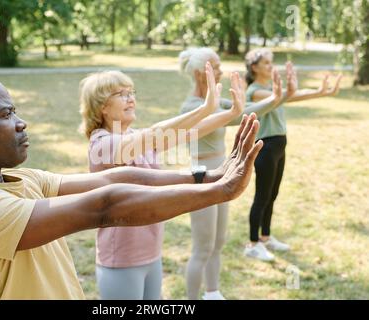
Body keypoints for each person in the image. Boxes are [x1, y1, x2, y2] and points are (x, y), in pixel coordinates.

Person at [0, 74, 262, 300]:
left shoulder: (22, 180)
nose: (21, 122)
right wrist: (220, 191)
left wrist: (209, 176)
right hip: (122, 260)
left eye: (15, 111)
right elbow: (104, 205)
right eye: (5, 114)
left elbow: (116, 179)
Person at [79, 62, 249, 300]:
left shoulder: (133, 137)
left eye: (131, 93)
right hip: (122, 258)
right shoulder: (103, 144)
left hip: (151, 251)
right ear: (102, 106)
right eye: (121, 94)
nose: (130, 99)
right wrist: (205, 107)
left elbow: (187, 133)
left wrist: (230, 114)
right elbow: (155, 132)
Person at [178, 47, 287, 300]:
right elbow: (230, 116)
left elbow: (247, 108)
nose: (220, 71)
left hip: (222, 175)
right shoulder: (191, 107)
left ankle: (213, 292)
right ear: (199, 73)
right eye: (215, 67)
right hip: (201, 178)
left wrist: (276, 97)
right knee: (202, 247)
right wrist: (235, 110)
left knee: (218, 242)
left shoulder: (215, 102)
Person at [243, 48, 342, 261]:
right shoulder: (255, 91)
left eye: (272, 62)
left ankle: (266, 237)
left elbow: (290, 96)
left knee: (273, 195)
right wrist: (289, 88)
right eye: (267, 63)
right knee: (262, 197)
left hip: (279, 145)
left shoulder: (271, 88)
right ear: (254, 68)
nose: (271, 66)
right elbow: (281, 97)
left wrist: (321, 91)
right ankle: (252, 243)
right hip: (266, 147)